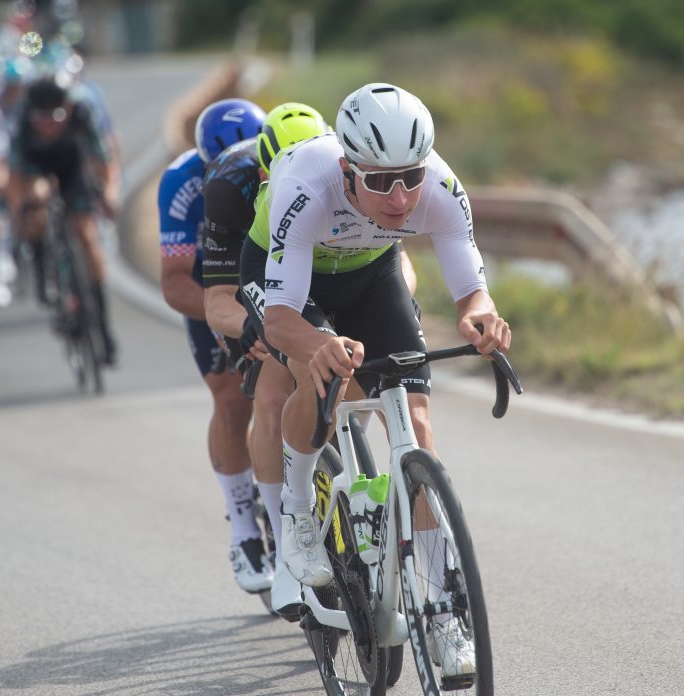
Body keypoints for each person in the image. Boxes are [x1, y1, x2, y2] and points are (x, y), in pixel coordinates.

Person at [239, 83, 511, 677]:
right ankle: (298, 519)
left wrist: (480, 317)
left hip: (369, 271)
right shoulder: (306, 187)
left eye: (410, 176)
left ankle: (442, 610)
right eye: (381, 181)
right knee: (315, 376)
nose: (400, 196)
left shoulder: (440, 188)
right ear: (347, 167)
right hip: (287, 279)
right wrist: (318, 344)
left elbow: (471, 290)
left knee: (415, 424)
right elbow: (282, 319)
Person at [200, 101, 331, 614]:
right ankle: (282, 542)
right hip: (254, 275)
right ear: (264, 170)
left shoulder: (343, 170)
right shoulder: (230, 189)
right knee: (273, 397)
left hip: (324, 266)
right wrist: (251, 325)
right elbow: (216, 300)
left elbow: (397, 262)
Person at [157, 97, 273, 595]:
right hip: (212, 283)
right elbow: (175, 282)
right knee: (231, 398)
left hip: (270, 273)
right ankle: (245, 529)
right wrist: (231, 319)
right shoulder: (180, 185)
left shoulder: (284, 162)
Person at [6, 75, 120, 365]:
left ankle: (103, 328)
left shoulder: (83, 112)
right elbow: (15, 177)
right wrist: (20, 211)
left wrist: (108, 195)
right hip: (37, 167)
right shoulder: (21, 121)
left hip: (73, 166)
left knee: (87, 235)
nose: (48, 126)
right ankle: (44, 269)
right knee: (37, 209)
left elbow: (105, 161)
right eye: (41, 119)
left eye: (55, 118)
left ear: (67, 109)